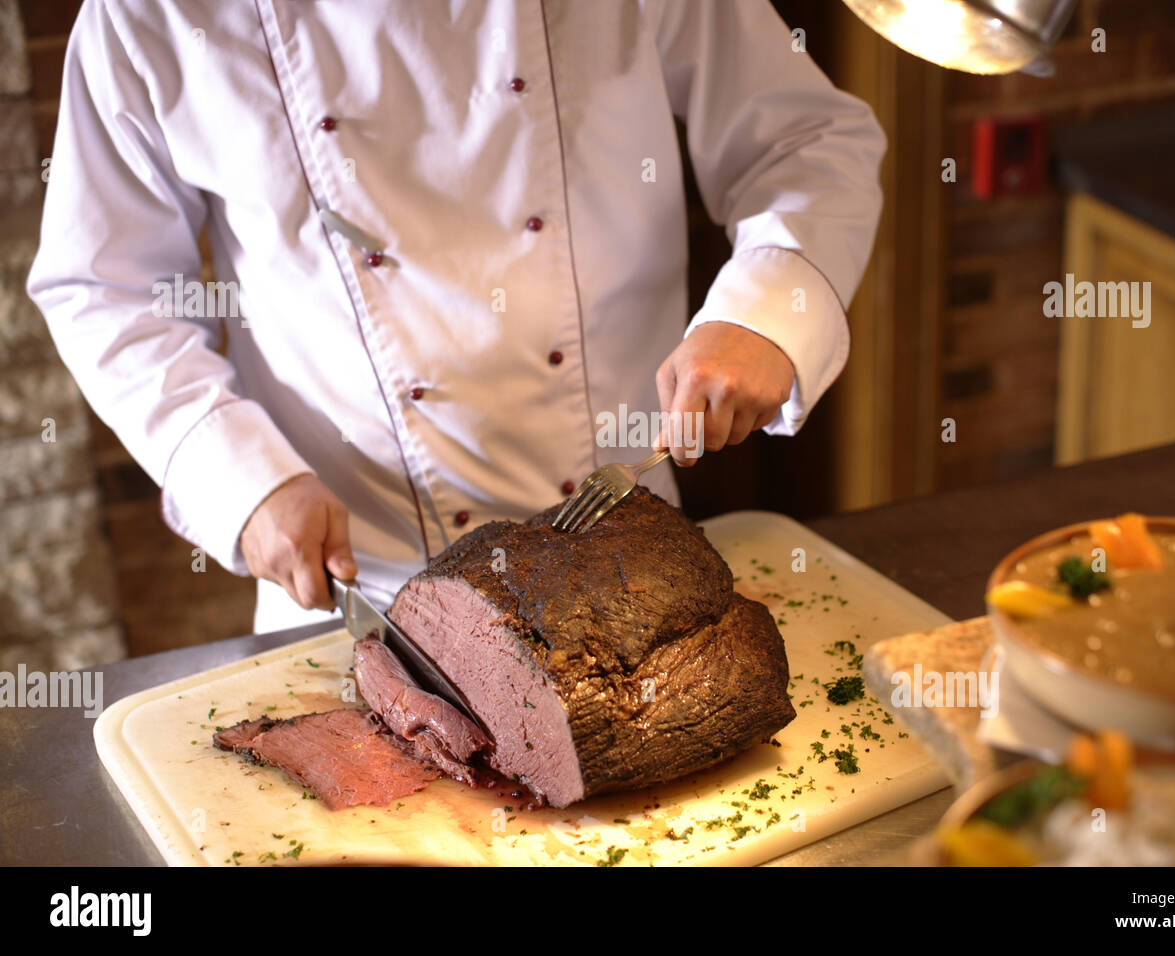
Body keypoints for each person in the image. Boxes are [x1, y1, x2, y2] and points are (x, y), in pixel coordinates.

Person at [29, 0, 885, 633]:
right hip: (354, 592)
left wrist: (770, 309)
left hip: (629, 559)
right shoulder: (151, 16)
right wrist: (239, 481)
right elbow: (107, 287)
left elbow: (804, 140)